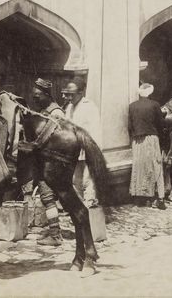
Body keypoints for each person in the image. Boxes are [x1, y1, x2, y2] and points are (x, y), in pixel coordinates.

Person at [25, 77, 66, 247]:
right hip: (47, 161)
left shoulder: (55, 113)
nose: (35, 99)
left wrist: (31, 146)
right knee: (47, 197)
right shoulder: (45, 111)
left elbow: (46, 139)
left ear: (47, 95)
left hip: (51, 162)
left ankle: (55, 235)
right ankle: (54, 230)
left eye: (37, 96)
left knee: (48, 197)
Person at [62, 77, 102, 208]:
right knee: (75, 180)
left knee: (88, 180)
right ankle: (78, 208)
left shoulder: (89, 107)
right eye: (67, 95)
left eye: (71, 95)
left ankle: (89, 205)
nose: (69, 98)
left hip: (87, 150)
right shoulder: (69, 107)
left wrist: (93, 152)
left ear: (80, 93)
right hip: (73, 151)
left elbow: (95, 131)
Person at [128, 83, 167, 209]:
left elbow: (129, 126)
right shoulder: (154, 105)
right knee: (156, 165)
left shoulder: (132, 106)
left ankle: (138, 197)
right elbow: (161, 124)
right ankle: (160, 198)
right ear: (150, 93)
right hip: (151, 138)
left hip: (137, 140)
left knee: (138, 167)